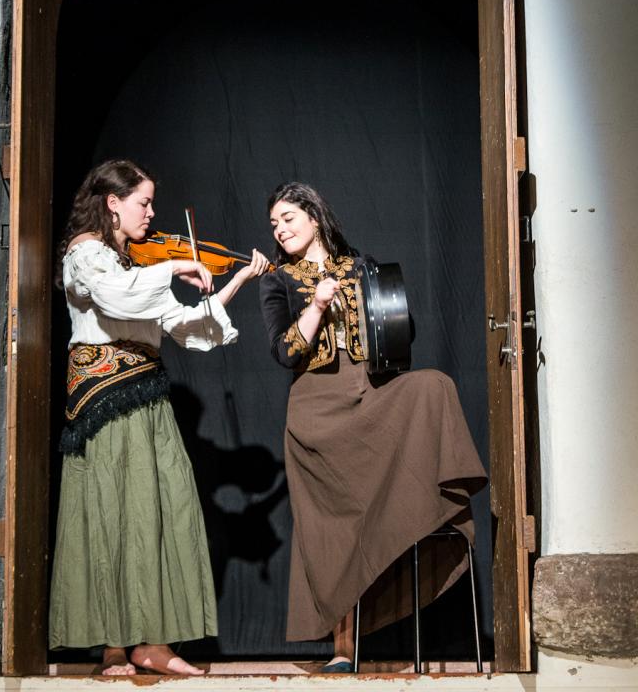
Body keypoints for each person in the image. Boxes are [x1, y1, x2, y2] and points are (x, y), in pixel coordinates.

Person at [49, 159, 269, 676]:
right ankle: (112, 647)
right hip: (104, 400)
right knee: (111, 511)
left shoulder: (134, 264)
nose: (151, 214)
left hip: (148, 397)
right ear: (113, 203)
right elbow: (114, 297)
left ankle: (153, 643)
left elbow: (186, 327)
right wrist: (172, 268)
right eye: (143, 203)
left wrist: (237, 279)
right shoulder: (86, 254)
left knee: (160, 510)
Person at [259, 181, 487, 672]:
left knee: (434, 385)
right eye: (274, 224)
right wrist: (317, 306)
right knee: (338, 527)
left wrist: (380, 304)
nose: (280, 230)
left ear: (314, 217)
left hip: (369, 391)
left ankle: (436, 506)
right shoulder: (278, 281)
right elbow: (284, 352)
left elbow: (402, 332)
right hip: (317, 409)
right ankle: (343, 648)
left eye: (288, 219)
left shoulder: (362, 266)